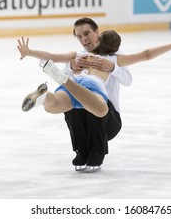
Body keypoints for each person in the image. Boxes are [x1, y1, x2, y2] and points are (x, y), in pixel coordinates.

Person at [17, 29, 171, 171]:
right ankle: (63, 79)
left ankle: (45, 96)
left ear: (98, 39)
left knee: (53, 105)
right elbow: (146, 54)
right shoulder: (113, 59)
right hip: (91, 85)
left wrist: (30, 52)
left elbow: (53, 57)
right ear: (115, 48)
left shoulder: (81, 56)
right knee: (101, 109)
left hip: (74, 83)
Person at [19, 18, 132, 172]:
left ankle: (96, 152)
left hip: (108, 119)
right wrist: (31, 53)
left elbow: (128, 80)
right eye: (78, 36)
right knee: (73, 99)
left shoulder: (113, 55)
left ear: (97, 32)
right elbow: (53, 56)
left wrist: (112, 68)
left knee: (88, 102)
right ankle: (82, 151)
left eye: (86, 34)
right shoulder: (78, 55)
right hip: (83, 106)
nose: (83, 39)